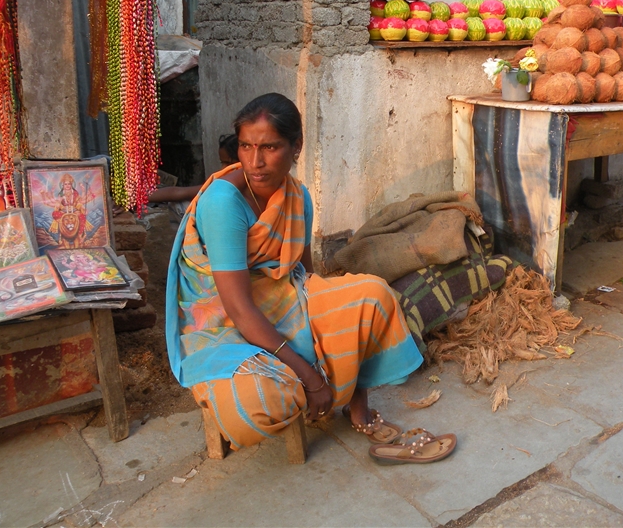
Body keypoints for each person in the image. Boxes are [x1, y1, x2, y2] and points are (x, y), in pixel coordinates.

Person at [165, 93, 456, 463]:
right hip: (224, 323)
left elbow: (306, 277)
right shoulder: (223, 203)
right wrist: (313, 377)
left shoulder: (296, 195)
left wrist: (329, 326)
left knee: (373, 294)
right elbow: (238, 309)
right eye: (246, 146)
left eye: (269, 147)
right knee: (261, 404)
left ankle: (355, 406)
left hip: (285, 302)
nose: (255, 161)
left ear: (296, 146)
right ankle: (309, 385)